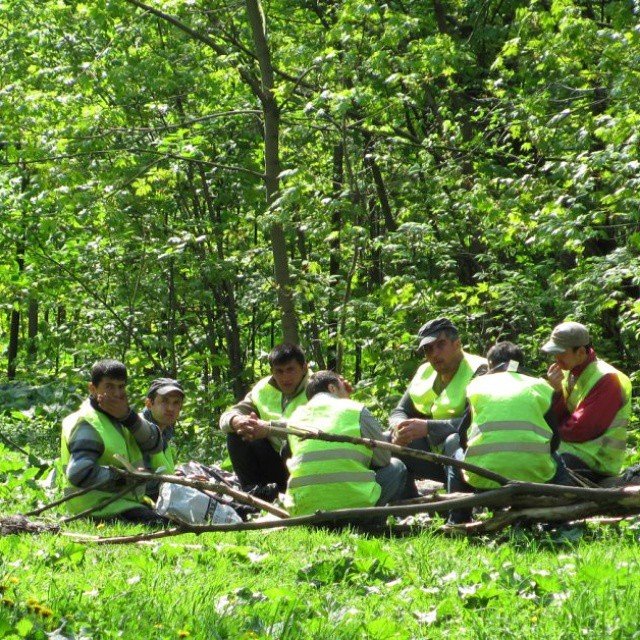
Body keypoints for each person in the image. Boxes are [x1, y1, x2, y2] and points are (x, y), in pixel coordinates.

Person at [446, 341, 571, 523]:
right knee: (558, 462)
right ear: (521, 363)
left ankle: (458, 520)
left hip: (482, 476)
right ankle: (559, 521)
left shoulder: (477, 386)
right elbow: (554, 442)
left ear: (490, 364)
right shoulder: (540, 387)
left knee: (454, 459)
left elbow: (462, 437)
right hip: (534, 476)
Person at [284, 370, 407, 516]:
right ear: (332, 388)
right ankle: (375, 520)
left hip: (304, 512)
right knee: (396, 467)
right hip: (353, 509)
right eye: (343, 387)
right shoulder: (355, 409)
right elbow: (383, 459)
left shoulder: (294, 418)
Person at [60, 359, 167, 524]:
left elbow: (155, 444)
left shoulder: (122, 417)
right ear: (92, 389)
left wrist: (128, 416)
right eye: (109, 386)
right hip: (96, 509)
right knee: (161, 524)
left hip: (124, 502)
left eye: (121, 386)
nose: (117, 393)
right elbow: (80, 473)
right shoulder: (85, 422)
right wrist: (127, 478)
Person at [389, 317, 487, 486]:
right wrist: (399, 428)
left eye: (441, 345)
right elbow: (399, 411)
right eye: (428, 349)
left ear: (457, 343)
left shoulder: (480, 370)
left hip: (469, 453)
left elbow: (475, 423)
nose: (434, 354)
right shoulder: (424, 371)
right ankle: (406, 507)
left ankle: (458, 508)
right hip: (435, 454)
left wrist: (428, 427)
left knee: (453, 440)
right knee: (387, 440)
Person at [542, 321, 632, 482]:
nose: (556, 358)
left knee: (543, 463)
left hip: (596, 460)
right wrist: (555, 391)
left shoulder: (607, 379)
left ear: (581, 352)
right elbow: (558, 416)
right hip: (574, 451)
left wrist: (548, 435)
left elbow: (581, 430)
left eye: (561, 353)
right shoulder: (569, 373)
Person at [219, 343, 309, 498]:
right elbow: (229, 415)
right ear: (272, 372)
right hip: (275, 462)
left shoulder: (318, 386)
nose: (285, 377)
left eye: (290, 370)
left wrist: (269, 429)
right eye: (279, 371)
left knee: (290, 444)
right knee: (238, 433)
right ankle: (254, 494)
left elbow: (315, 429)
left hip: (306, 462)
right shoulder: (262, 389)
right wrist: (236, 420)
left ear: (304, 368)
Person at [142, 377, 185, 476]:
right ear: (148, 403)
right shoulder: (141, 431)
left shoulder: (165, 431)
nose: (170, 408)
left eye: (176, 402)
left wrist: (177, 476)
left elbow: (160, 471)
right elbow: (140, 480)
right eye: (164, 401)